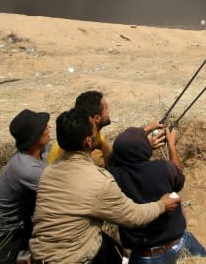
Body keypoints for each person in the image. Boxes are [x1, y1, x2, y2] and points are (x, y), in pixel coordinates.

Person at [30, 109, 181, 263]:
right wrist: (162, 205)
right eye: (95, 131)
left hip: (42, 255)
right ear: (88, 141)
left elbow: (114, 158)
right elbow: (132, 216)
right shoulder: (98, 181)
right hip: (74, 258)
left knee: (115, 250)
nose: (98, 133)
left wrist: (141, 141)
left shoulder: (48, 173)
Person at [108, 126, 206, 263]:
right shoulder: (163, 168)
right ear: (145, 149)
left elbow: (114, 156)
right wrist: (171, 145)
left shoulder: (114, 178)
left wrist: (142, 143)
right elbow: (179, 179)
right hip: (179, 245)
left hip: (145, 256)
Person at [0, 109, 51, 264]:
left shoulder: (42, 150)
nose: (49, 128)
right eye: (44, 128)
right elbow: (59, 192)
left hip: (22, 225)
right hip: (2, 234)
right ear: (34, 137)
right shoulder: (26, 168)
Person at [46, 90, 166, 166]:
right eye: (106, 109)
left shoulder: (83, 134)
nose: (109, 112)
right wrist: (144, 147)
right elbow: (115, 169)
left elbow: (114, 155)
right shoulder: (90, 151)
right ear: (97, 119)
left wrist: (145, 131)